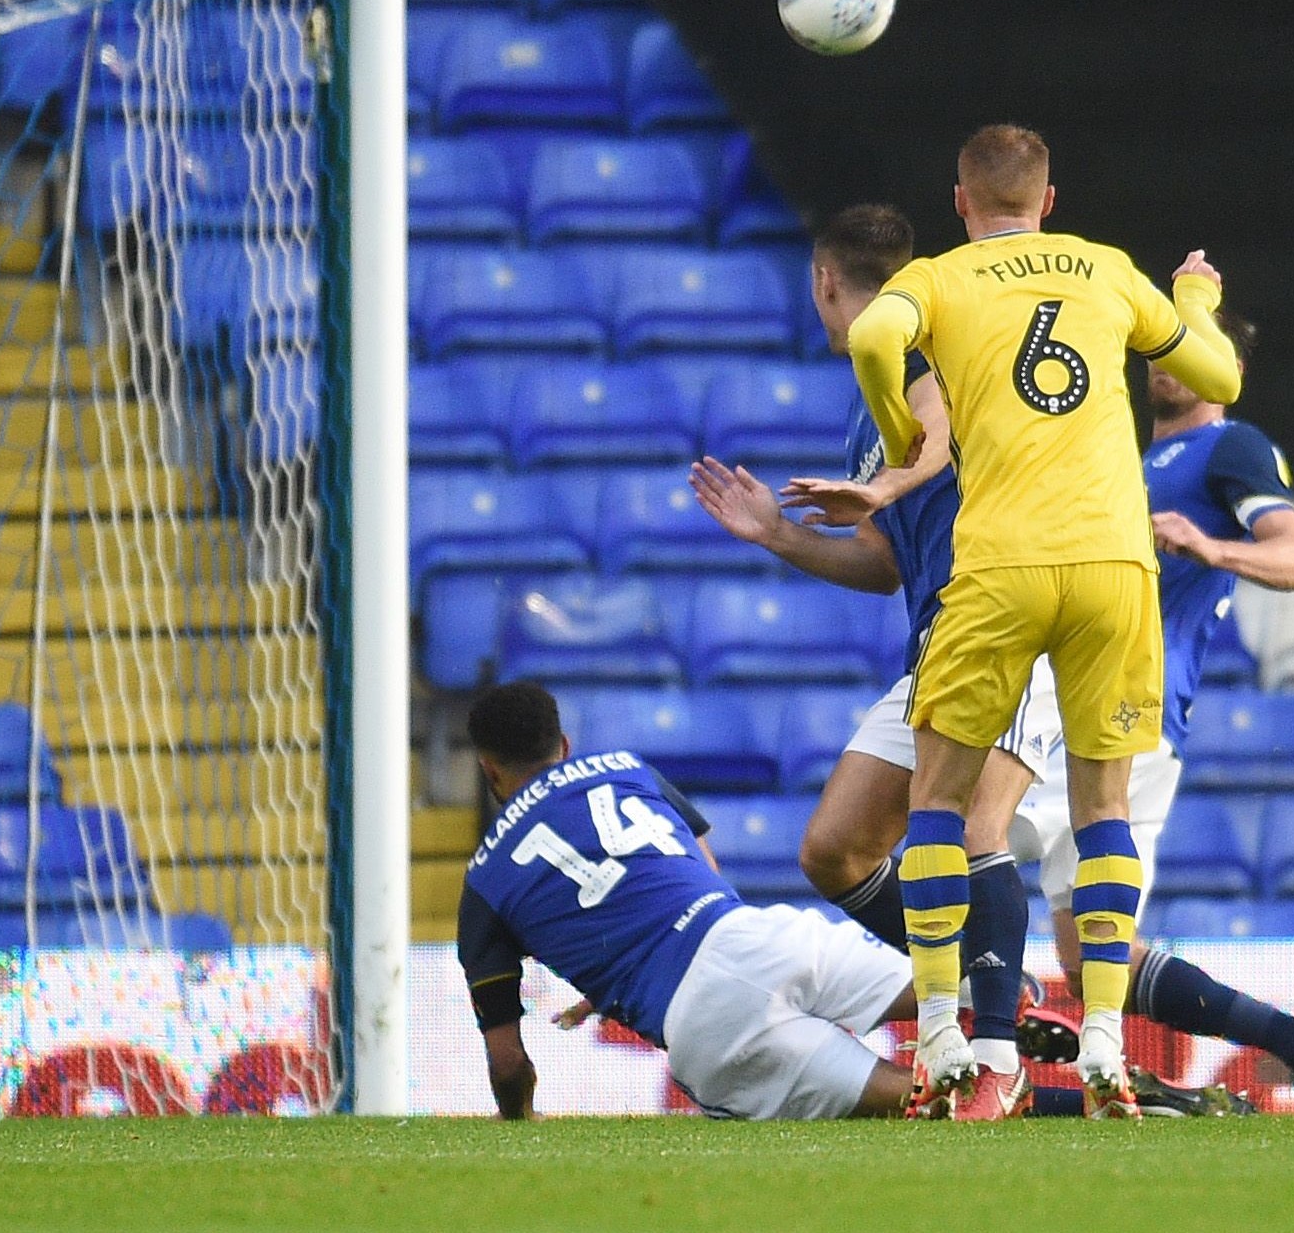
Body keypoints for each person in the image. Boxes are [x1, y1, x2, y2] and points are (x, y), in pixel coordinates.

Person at [845, 124, 1241, 1116]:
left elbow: (867, 338)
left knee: (937, 806)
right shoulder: (1108, 270)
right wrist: (1193, 295)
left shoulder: (936, 280)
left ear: (959, 200)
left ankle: (940, 1031)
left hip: (999, 567)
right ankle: (1102, 1032)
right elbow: (1221, 377)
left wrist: (899, 438)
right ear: (1049, 199)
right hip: (1113, 567)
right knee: (1102, 811)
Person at [689, 202, 1055, 1116]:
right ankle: (986, 984)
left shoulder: (925, 349)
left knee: (971, 830)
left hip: (1002, 611)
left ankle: (997, 1057)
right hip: (935, 634)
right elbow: (887, 560)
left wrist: (889, 479)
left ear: (823, 280)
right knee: (836, 849)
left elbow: (937, 424)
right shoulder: (871, 394)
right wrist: (777, 535)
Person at [1008, 311, 1294, 1113]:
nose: (1167, 365)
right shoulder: (1144, 460)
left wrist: (1210, 548)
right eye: (1165, 350)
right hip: (1114, 707)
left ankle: (984, 1027)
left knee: (965, 836)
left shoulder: (1230, 447)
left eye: (1194, 351)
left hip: (1117, 703)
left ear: (1228, 370)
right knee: (1087, 949)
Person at [459, 682, 924, 1121]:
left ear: (489, 769)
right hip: (756, 938)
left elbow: (507, 1061)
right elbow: (702, 874)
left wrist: (518, 1114)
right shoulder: (627, 769)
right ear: (562, 745)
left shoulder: (484, 880)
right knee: (955, 996)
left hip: (707, 1025)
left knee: (921, 1100)